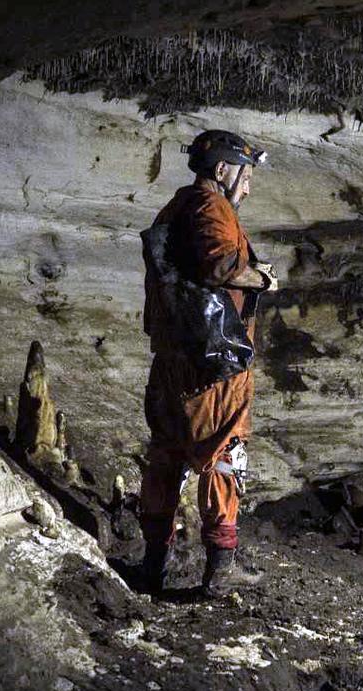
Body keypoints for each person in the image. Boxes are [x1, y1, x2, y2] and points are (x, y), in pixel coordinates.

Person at [139, 129, 277, 598]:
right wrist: (261, 279)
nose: (249, 186)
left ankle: (154, 562)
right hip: (213, 362)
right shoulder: (210, 206)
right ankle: (221, 568)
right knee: (223, 454)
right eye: (246, 174)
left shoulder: (173, 208)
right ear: (222, 170)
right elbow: (221, 266)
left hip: (173, 358)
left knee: (167, 455)